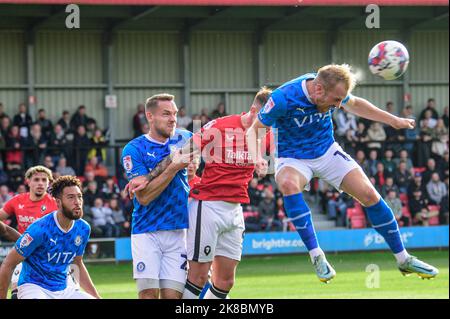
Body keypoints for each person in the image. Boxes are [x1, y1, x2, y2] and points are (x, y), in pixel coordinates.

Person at [246, 64, 438, 283]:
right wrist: (257, 158)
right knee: (288, 184)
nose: (338, 105)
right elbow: (255, 130)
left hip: (326, 150)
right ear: (318, 90)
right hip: (293, 157)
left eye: (340, 100)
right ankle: (317, 256)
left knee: (369, 194)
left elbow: (354, 104)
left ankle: (403, 259)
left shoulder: (331, 90)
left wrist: (392, 120)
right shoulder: (283, 98)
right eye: (336, 100)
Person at [127, 88, 273, 299]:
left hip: (235, 208)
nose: (266, 125)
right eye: (265, 118)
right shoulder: (220, 126)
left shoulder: (266, 132)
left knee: (226, 281)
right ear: (253, 109)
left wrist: (261, 158)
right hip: (207, 206)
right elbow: (181, 154)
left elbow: (284, 153)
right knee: (197, 278)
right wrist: (148, 177)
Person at [121, 93, 195, 299]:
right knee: (148, 295)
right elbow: (144, 198)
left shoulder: (186, 138)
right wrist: (173, 168)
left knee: (174, 297)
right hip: (147, 232)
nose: (173, 118)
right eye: (166, 114)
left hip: (178, 231)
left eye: (175, 114)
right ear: (149, 117)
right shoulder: (134, 149)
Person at [0, 176, 100, 299]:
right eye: (70, 197)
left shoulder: (83, 228)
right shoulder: (40, 229)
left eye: (79, 196)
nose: (77, 202)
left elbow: (77, 263)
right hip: (33, 287)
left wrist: (97, 297)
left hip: (64, 290)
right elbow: (8, 264)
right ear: (58, 202)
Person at [0, 166, 59, 298]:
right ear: (28, 181)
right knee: (16, 294)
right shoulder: (18, 200)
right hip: (23, 254)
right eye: (36, 179)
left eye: (44, 180)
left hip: (47, 257)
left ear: (49, 183)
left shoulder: (55, 204)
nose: (40, 183)